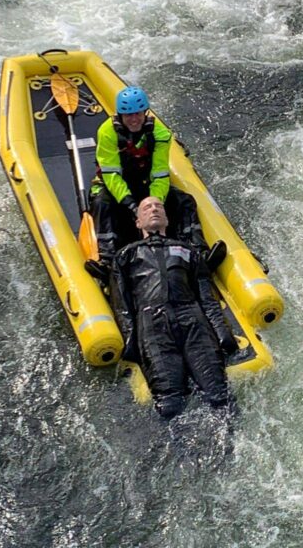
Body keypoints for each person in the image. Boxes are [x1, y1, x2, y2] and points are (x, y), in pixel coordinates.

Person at [110, 196, 238, 420]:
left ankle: (231, 448)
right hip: (152, 325)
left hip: (191, 319)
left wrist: (220, 330)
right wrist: (132, 339)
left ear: (167, 220)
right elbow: (122, 303)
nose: (154, 209)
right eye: (147, 207)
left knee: (219, 395)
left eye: (158, 206)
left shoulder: (187, 250)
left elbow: (205, 296)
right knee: (170, 403)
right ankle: (182, 451)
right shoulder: (125, 256)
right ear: (138, 222)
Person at [88, 85, 207, 275]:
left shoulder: (160, 134)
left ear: (145, 113)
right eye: (128, 115)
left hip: (145, 185)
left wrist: (154, 203)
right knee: (102, 203)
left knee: (184, 201)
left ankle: (197, 251)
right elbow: (111, 174)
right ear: (120, 116)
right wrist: (132, 206)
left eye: (138, 114)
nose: (134, 120)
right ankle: (107, 260)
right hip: (114, 187)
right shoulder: (107, 132)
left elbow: (159, 174)